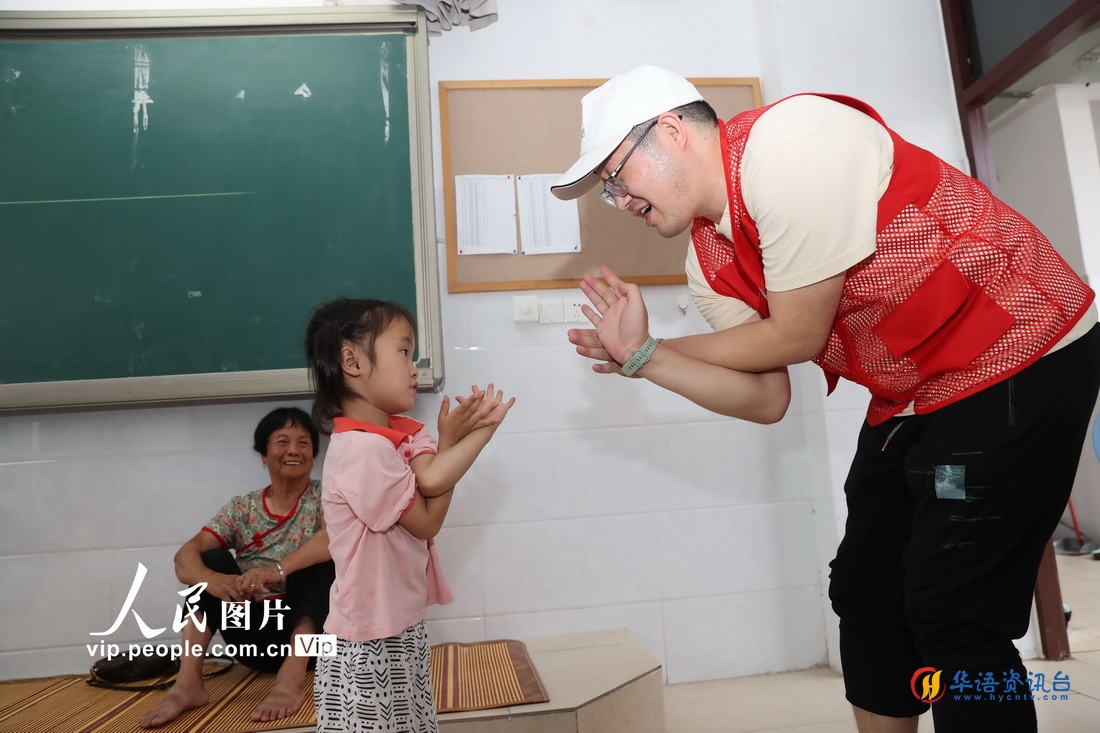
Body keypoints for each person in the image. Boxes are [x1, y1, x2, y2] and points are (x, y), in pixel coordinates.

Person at [552, 65, 1100, 733]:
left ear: (671, 129)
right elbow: (766, 396)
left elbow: (797, 332)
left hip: (1020, 350)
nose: (618, 200)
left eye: (616, 176)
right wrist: (644, 359)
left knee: (953, 603)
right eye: (606, 191)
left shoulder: (787, 147)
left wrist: (654, 351)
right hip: (915, 393)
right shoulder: (707, 261)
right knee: (866, 588)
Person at [304, 297, 514, 732]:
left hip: (395, 631)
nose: (413, 366)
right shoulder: (362, 451)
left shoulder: (388, 439)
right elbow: (427, 514)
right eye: (403, 351)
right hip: (363, 649)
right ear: (352, 362)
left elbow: (430, 475)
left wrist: (449, 444)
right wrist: (478, 437)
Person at [139, 406, 335, 728]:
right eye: (282, 441)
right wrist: (214, 580)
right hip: (253, 638)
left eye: (303, 443)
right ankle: (188, 685)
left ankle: (290, 679)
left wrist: (277, 571)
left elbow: (330, 540)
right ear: (263, 454)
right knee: (209, 561)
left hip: (312, 639)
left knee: (316, 559)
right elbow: (184, 558)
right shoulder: (241, 507)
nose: (293, 450)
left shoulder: (325, 497)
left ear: (313, 455)